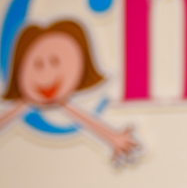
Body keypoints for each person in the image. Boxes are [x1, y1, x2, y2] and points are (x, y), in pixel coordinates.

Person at [1, 18, 141, 166]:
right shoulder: (23, 104)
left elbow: (83, 118)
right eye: (38, 64)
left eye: (55, 62)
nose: (47, 73)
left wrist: (114, 138)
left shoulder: (63, 102)